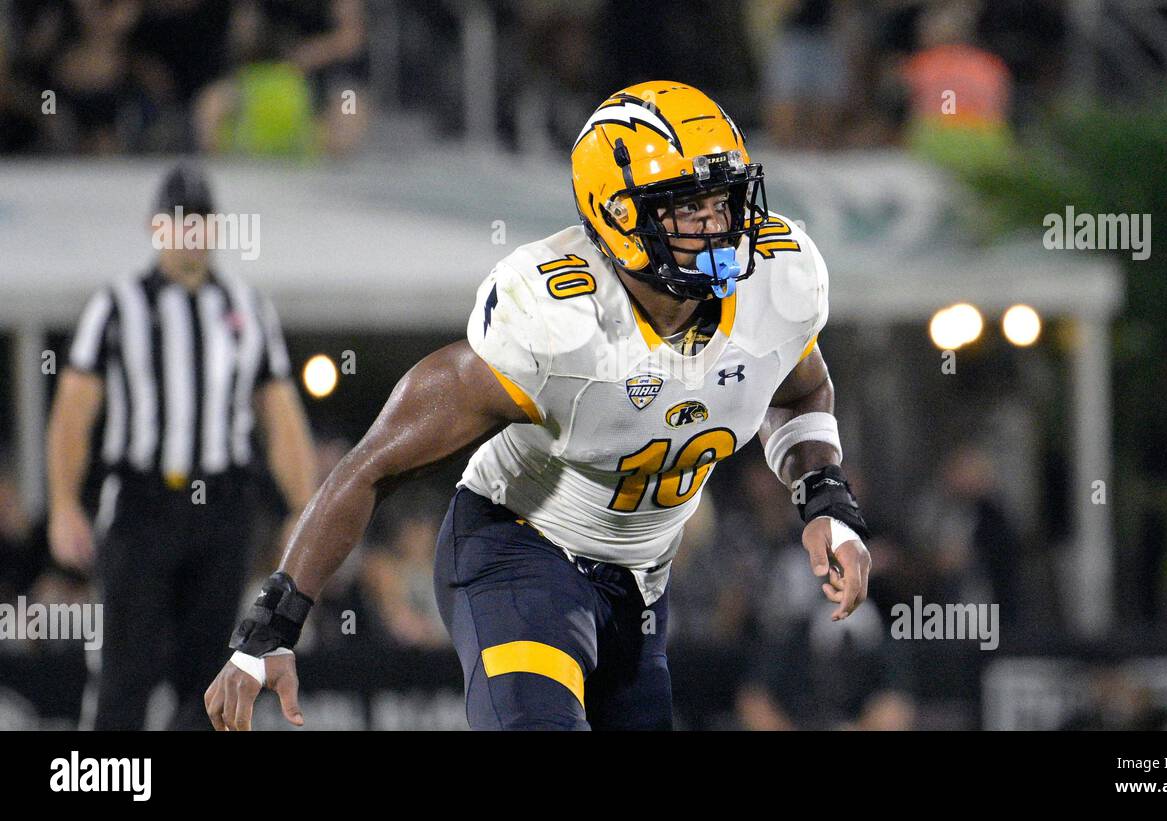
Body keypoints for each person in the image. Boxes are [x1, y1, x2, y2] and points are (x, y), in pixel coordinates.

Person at [206, 82, 874, 731]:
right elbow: (372, 465)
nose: (718, 225)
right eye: (687, 208)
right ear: (619, 214)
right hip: (519, 548)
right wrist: (270, 626)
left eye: (723, 202)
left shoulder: (773, 284)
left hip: (641, 583)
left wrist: (822, 495)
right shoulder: (557, 323)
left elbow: (800, 387)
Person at [46, 162, 316, 730]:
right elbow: (74, 410)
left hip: (223, 507)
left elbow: (280, 414)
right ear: (155, 228)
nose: (188, 233)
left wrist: (301, 508)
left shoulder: (247, 309)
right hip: (143, 504)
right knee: (126, 667)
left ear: (213, 228)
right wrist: (65, 503)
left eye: (197, 221)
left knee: (214, 671)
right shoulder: (117, 306)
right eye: (177, 222)